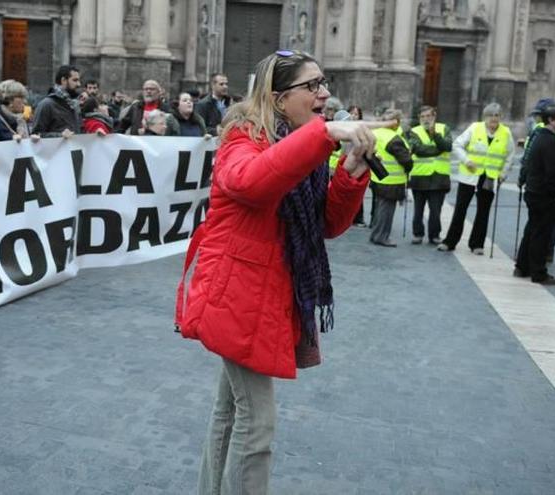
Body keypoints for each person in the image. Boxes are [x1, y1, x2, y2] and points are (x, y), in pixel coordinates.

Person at [175, 49, 381, 494]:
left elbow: (325, 223)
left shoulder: (302, 142)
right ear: (278, 97)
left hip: (266, 296)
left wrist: (350, 171)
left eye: (324, 83)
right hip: (237, 296)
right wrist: (324, 135)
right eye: (313, 86)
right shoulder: (242, 139)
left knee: (231, 412)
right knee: (258, 424)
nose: (324, 93)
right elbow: (253, 182)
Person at [438, 103, 515, 254]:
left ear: (501, 117)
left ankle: (477, 244)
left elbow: (510, 156)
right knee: (460, 209)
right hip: (470, 175)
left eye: (497, 115)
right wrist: (466, 160)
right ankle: (450, 242)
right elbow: (457, 145)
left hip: (489, 178)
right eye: (490, 115)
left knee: (483, 211)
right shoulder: (475, 128)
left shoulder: (506, 132)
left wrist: (503, 173)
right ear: (485, 117)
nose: (494, 119)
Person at [514, 104, 555, 285]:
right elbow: (552, 172)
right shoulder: (550, 141)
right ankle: (538, 272)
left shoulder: (541, 137)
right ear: (551, 120)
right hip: (545, 196)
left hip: (536, 193)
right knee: (541, 234)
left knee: (532, 230)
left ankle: (522, 266)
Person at [406, 105, 452, 245]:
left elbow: (447, 146)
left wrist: (435, 134)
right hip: (420, 176)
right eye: (423, 117)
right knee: (418, 209)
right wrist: (437, 149)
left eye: (429, 116)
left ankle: (434, 235)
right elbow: (418, 149)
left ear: (434, 116)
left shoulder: (444, 129)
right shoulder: (413, 131)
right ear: (419, 118)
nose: (426, 119)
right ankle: (417, 234)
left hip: (439, 177)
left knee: (435, 210)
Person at [369, 109, 413, 247]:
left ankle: (376, 234)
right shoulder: (394, 139)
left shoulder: (375, 133)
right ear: (396, 122)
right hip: (392, 180)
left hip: (377, 177)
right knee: (386, 210)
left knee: (379, 208)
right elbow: (406, 161)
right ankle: (382, 237)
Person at [33, 64, 82, 138]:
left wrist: (95, 134)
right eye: (75, 80)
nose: (79, 84)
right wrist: (60, 136)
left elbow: (79, 130)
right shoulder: (47, 104)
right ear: (63, 80)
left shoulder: (74, 104)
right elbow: (36, 135)